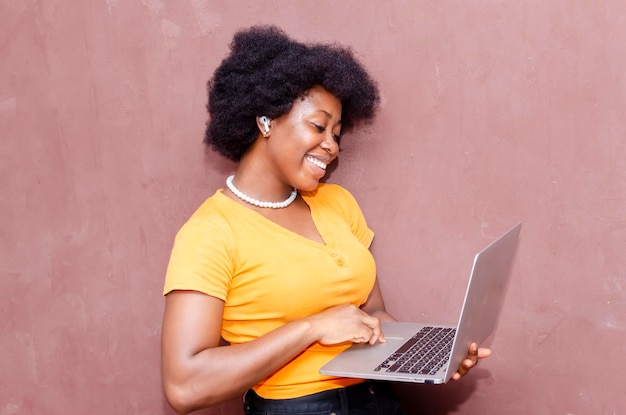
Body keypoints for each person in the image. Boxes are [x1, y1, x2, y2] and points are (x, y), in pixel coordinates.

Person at [160, 25, 491, 415]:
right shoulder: (211, 232)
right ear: (266, 120)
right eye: (318, 127)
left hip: (378, 401)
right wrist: (312, 327)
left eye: (337, 134)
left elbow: (371, 314)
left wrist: (426, 358)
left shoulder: (338, 203)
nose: (331, 147)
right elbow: (184, 386)